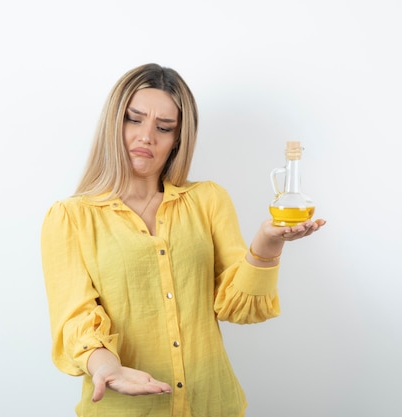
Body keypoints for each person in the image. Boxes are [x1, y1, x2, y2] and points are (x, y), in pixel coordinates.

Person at [40, 63, 326, 417]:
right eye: (134, 119)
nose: (147, 136)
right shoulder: (70, 218)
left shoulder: (207, 200)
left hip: (213, 405)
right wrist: (104, 366)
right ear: (113, 123)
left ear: (177, 139)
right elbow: (74, 320)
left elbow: (238, 307)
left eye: (164, 128)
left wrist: (268, 244)